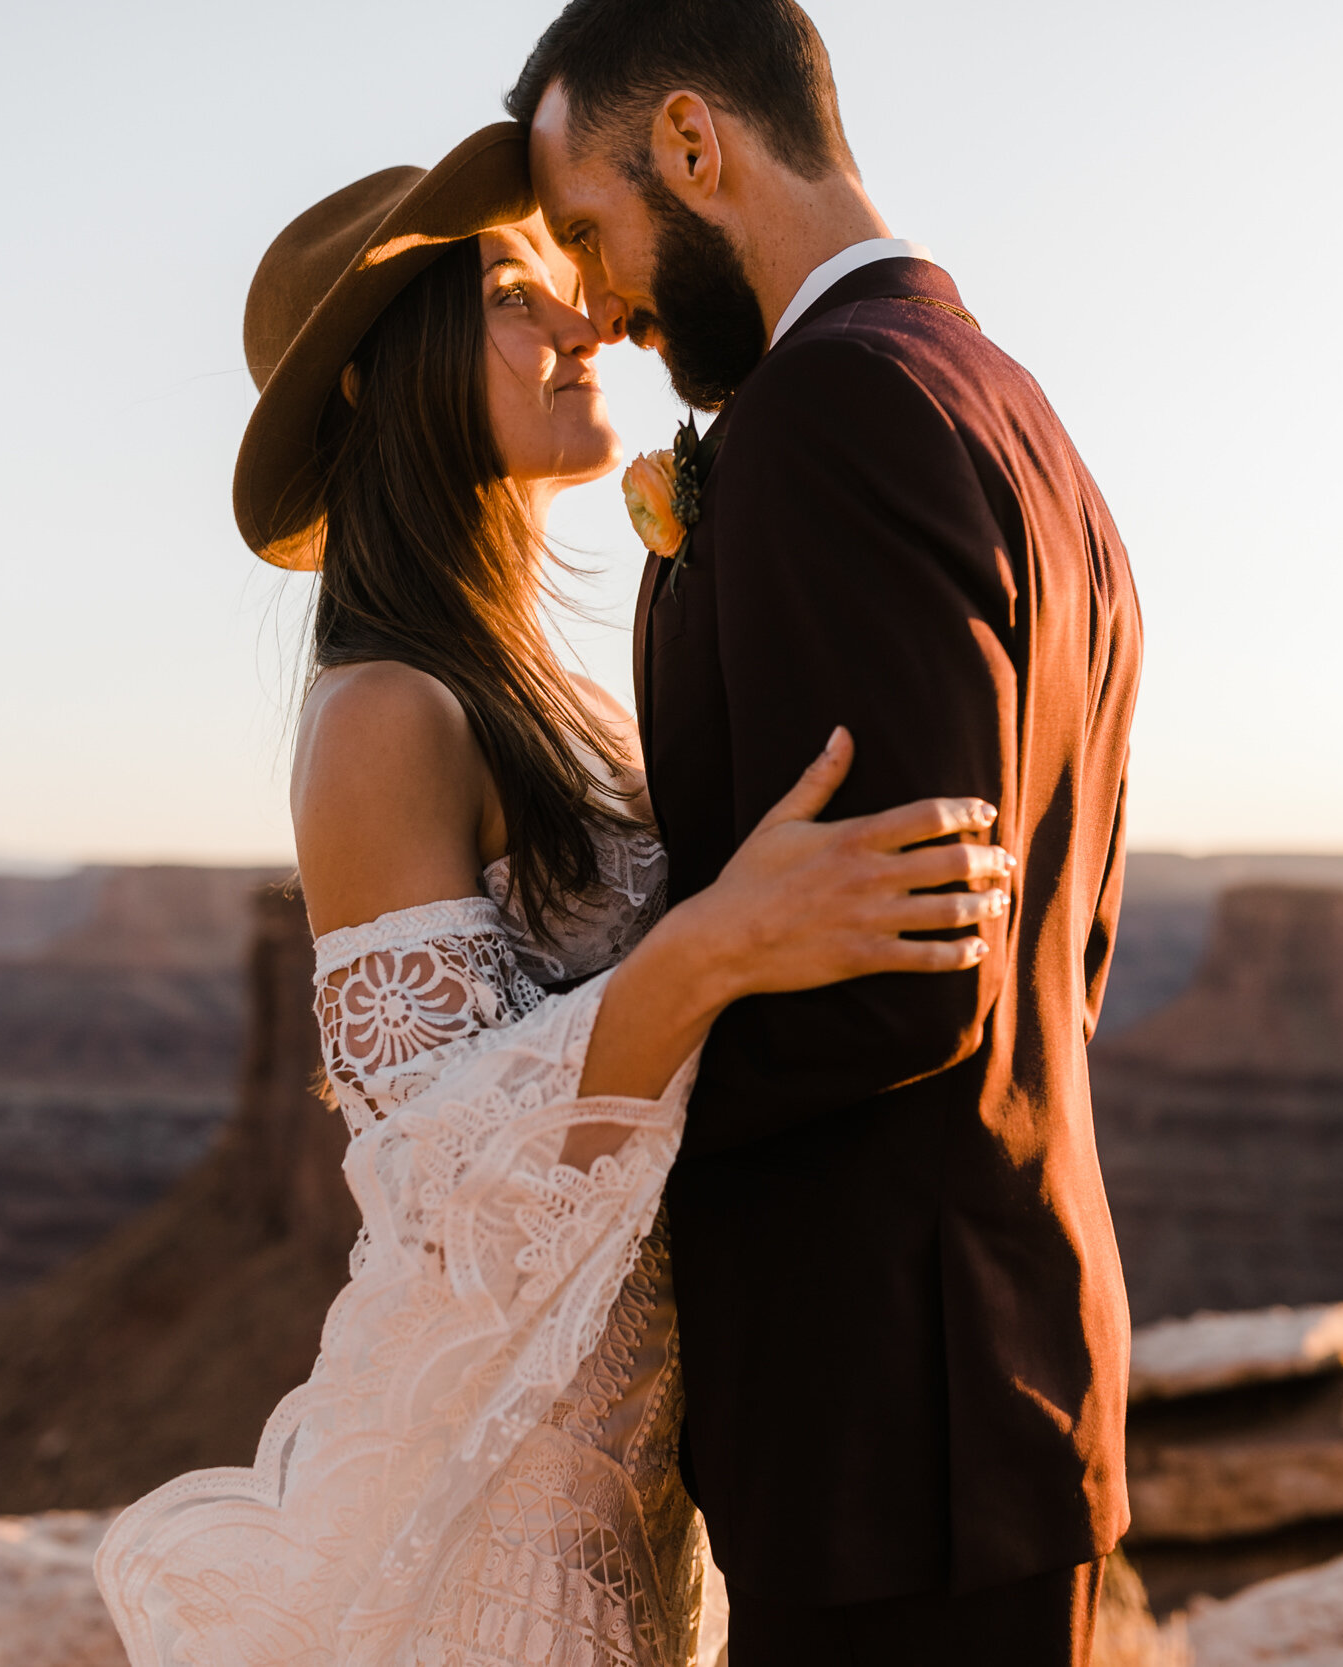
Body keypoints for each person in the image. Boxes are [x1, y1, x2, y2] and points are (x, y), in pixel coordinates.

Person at [92, 122, 1014, 1667]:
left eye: (560, 282)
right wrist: (714, 950)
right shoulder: (389, 712)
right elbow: (442, 1180)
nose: (586, 320)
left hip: (618, 1432)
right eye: (519, 296)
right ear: (387, 380)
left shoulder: (531, 688)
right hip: (500, 1482)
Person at [506, 0, 1145, 1661]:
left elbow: (906, 974)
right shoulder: (1010, 407)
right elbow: (1064, 948)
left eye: (590, 229)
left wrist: (585, 1124)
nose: (594, 300)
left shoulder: (830, 420)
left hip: (886, 1437)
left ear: (697, 146)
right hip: (995, 1381)